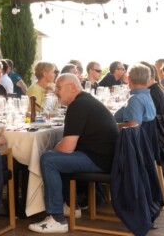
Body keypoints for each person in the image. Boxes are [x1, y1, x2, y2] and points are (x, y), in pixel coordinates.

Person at [28, 74, 119, 233]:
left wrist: (53, 149)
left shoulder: (78, 105)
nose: (56, 91)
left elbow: (67, 148)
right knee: (56, 157)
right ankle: (70, 206)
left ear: (72, 87)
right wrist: (58, 147)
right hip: (106, 157)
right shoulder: (85, 101)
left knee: (49, 159)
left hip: (100, 160)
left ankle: (56, 218)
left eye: (59, 87)